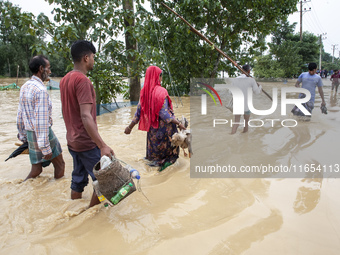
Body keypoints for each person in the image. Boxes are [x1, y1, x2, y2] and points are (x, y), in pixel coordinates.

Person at [59, 40, 114, 207]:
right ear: (85, 58)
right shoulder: (83, 81)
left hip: (72, 141)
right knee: (105, 180)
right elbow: (85, 116)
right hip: (86, 142)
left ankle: (74, 209)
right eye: (93, 57)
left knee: (78, 179)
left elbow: (66, 111)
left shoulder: (65, 79)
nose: (93, 60)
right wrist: (102, 145)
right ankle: (91, 216)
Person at [124, 66, 185, 171]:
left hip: (152, 132)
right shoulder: (162, 92)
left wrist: (129, 127)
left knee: (154, 159)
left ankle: (154, 175)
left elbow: (138, 113)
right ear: (158, 77)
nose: (161, 78)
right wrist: (179, 123)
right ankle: (163, 174)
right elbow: (165, 115)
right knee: (170, 158)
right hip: (165, 132)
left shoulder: (144, 93)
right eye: (161, 76)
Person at [17, 55, 65, 181]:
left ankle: (23, 186)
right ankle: (56, 195)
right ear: (41, 69)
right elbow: (41, 121)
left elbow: (20, 114)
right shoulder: (41, 90)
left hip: (30, 133)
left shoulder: (25, 86)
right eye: (48, 68)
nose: (50, 71)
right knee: (60, 165)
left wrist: (23, 135)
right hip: (43, 135)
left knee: (36, 169)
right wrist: (45, 147)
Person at [231, 64, 262, 134]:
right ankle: (245, 138)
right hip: (247, 106)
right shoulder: (251, 80)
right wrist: (260, 86)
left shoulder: (235, 80)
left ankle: (231, 135)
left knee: (236, 123)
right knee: (246, 123)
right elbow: (257, 92)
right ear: (249, 71)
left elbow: (231, 92)